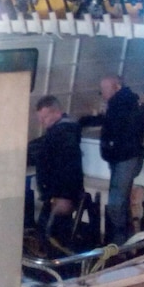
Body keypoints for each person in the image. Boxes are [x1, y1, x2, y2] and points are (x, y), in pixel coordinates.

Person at [81, 76, 144, 245]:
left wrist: (112, 144)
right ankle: (128, 241)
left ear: (116, 87)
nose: (102, 94)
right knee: (121, 203)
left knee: (116, 204)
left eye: (104, 90)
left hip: (124, 158)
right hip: (123, 157)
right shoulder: (125, 102)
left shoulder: (122, 104)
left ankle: (121, 241)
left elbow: (120, 128)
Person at [27, 95, 84, 253]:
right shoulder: (60, 133)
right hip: (55, 195)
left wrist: (64, 196)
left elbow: (68, 169)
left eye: (44, 117)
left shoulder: (63, 136)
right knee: (50, 233)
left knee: (51, 235)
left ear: (55, 112)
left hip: (60, 196)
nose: (42, 122)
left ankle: (58, 266)